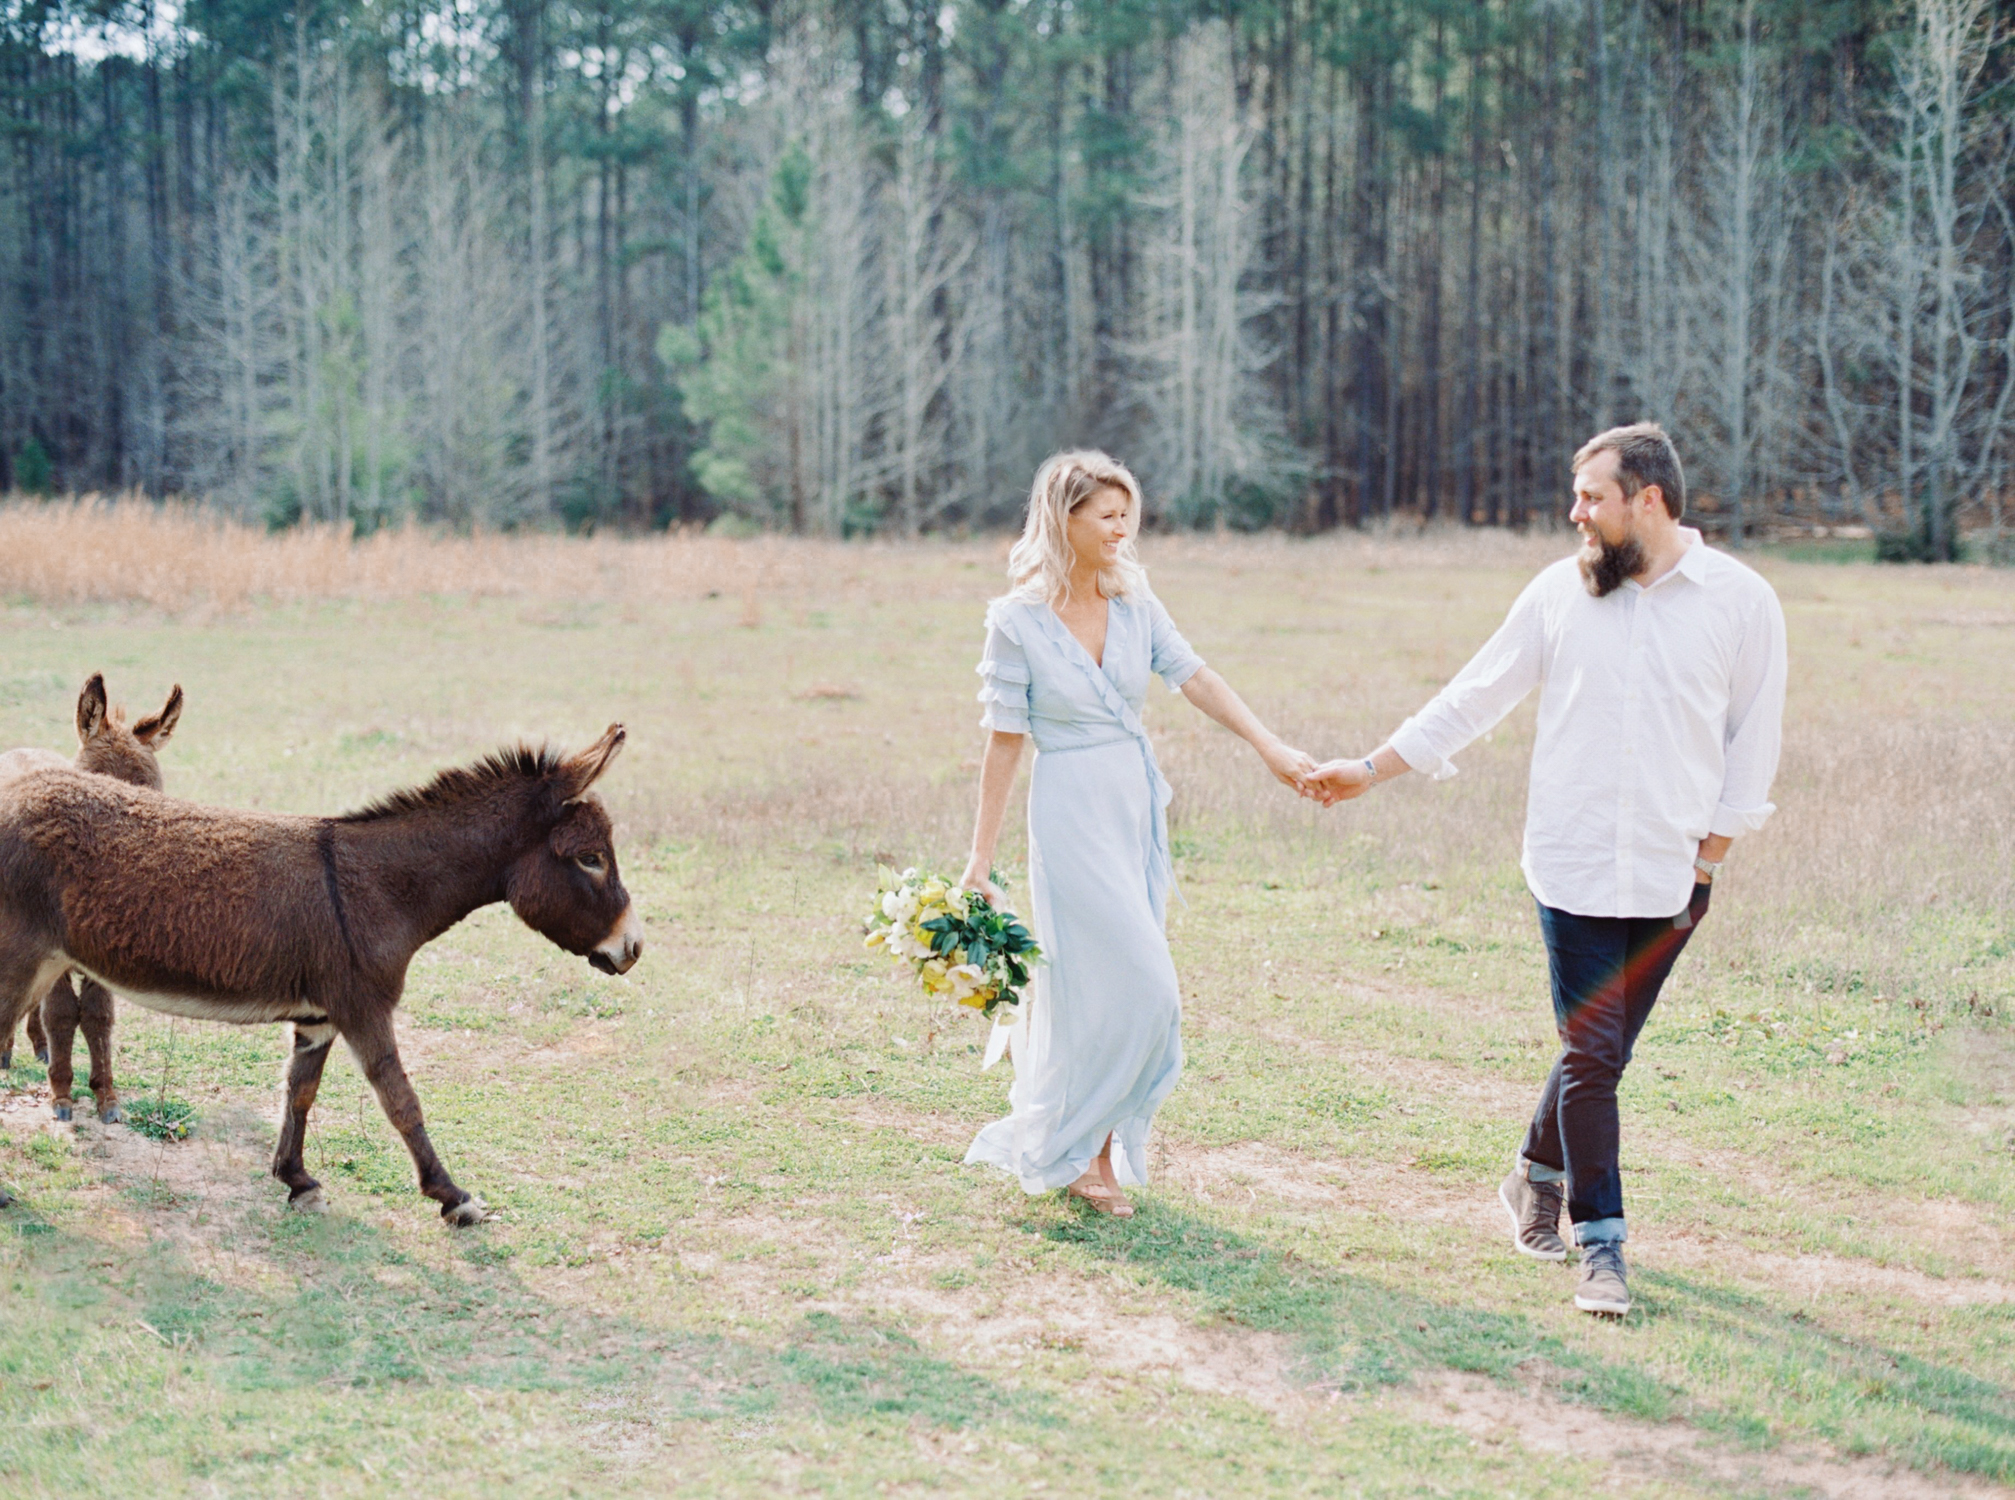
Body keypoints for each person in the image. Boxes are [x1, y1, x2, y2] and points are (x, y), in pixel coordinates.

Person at [1306, 423, 1787, 1315]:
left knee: (1596, 1052)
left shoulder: (1740, 600)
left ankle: (1530, 1173)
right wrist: (1370, 769)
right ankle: (1600, 1246)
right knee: (1595, 1056)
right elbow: (1473, 696)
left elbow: (1752, 732)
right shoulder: (1558, 595)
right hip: (1568, 865)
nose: (1574, 513)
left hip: (1672, 873)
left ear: (1647, 500)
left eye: (1591, 497)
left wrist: (1713, 851)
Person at [960, 451, 1317, 1216]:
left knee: (1117, 988)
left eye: (1129, 514)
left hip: (1133, 807)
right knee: (1141, 992)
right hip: (1067, 811)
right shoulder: (1016, 621)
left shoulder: (1135, 597)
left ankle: (1094, 1156)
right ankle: (1087, 1153)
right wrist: (980, 857)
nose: (1123, 529)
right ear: (1064, 520)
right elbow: (1003, 740)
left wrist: (1270, 748)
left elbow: (1194, 676)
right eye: (1107, 516)